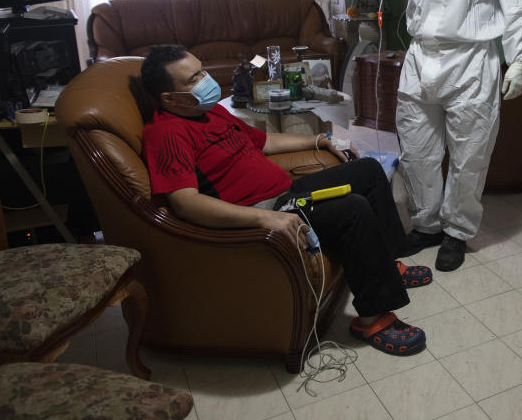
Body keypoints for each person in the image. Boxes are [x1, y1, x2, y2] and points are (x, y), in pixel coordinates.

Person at [139, 44, 430, 356]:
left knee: (368, 171)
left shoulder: (210, 111)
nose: (205, 80)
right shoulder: (165, 133)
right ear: (168, 98)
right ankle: (373, 318)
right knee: (352, 209)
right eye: (193, 79)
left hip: (287, 193)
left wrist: (319, 140)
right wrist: (266, 218)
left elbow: (263, 142)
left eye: (202, 71)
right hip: (266, 209)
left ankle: (387, 261)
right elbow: (185, 202)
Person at [359, 0, 522, 271]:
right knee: (417, 151)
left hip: (473, 61)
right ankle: (427, 223)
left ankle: (456, 230)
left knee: (470, 155)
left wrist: (519, 60)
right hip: (422, 58)